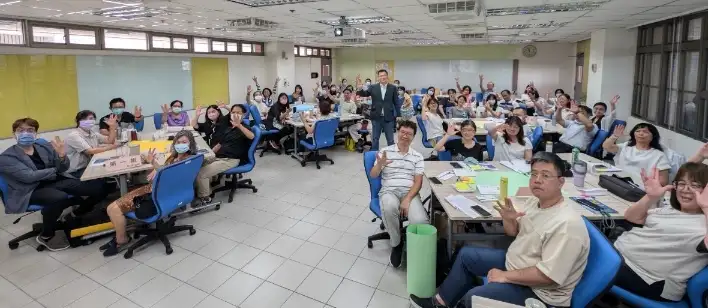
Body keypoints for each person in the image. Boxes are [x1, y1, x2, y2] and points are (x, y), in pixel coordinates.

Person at [411, 152, 590, 308]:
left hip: (539, 293)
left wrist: (505, 276)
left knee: (473, 298)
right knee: (466, 256)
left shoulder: (566, 225)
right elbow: (514, 233)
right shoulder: (536, 202)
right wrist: (509, 220)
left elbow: (547, 276)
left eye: (545, 175)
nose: (537, 180)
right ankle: (440, 303)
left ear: (561, 182)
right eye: (534, 174)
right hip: (518, 262)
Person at [0, 118, 109, 251]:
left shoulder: (43, 146)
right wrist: (54, 170)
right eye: (20, 131)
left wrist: (62, 156)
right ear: (14, 134)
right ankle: (46, 234)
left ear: (35, 133)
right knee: (58, 197)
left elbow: (63, 168)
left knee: (99, 187)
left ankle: (76, 214)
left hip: (54, 181)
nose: (25, 133)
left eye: (30, 130)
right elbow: (29, 177)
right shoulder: (6, 157)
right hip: (29, 190)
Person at [613, 164, 708, 302]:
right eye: (681, 183)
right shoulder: (671, 209)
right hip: (622, 258)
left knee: (583, 257)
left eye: (694, 185)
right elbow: (632, 217)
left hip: (650, 280)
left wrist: (706, 206)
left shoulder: (703, 223)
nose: (685, 190)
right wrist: (651, 196)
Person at [100, 130, 198, 256]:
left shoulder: (184, 162)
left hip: (156, 194)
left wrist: (156, 170)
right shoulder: (179, 158)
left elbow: (168, 176)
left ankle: (122, 240)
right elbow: (165, 173)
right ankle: (120, 236)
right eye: (178, 142)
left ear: (191, 143)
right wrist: (153, 162)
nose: (180, 144)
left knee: (112, 209)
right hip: (162, 192)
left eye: (184, 142)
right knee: (111, 208)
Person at [369, 120, 428, 268]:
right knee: (389, 208)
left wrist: (407, 199)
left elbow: (418, 182)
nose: (405, 136)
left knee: (420, 221)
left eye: (409, 134)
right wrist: (380, 165)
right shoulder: (385, 152)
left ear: (413, 137)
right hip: (389, 191)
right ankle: (396, 243)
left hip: (410, 193)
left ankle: (417, 250)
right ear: (397, 133)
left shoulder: (418, 156)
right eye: (403, 132)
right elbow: (374, 175)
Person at [194, 105, 254, 205]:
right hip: (219, 156)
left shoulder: (244, 127)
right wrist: (210, 154)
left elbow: (251, 136)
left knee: (201, 174)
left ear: (244, 115)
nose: (235, 114)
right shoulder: (229, 127)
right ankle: (206, 186)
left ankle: (205, 197)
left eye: (238, 113)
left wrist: (239, 125)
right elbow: (220, 143)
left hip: (230, 159)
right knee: (197, 164)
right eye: (233, 112)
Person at [602, 123, 670, 188]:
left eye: (645, 132)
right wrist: (614, 136)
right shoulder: (626, 146)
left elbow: (663, 181)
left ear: (653, 136)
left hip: (640, 188)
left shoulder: (659, 155)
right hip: (618, 182)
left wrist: (648, 185)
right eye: (637, 131)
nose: (641, 133)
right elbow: (606, 146)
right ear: (633, 134)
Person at [64, 110, 121, 178]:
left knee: (113, 166)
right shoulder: (74, 135)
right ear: (78, 121)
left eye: (92, 119)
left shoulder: (92, 133)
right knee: (108, 171)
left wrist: (112, 127)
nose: (90, 121)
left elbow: (110, 141)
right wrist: (112, 147)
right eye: (85, 119)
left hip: (89, 165)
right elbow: (90, 151)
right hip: (76, 171)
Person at [357, 70, 398, 150]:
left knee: (390, 140)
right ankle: (375, 156)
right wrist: (360, 88)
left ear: (387, 76)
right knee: (375, 139)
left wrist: (398, 115)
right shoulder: (373, 87)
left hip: (388, 117)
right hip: (376, 117)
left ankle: (392, 156)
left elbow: (396, 102)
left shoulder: (393, 88)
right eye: (380, 76)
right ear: (378, 77)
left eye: (384, 75)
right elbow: (364, 94)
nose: (382, 77)